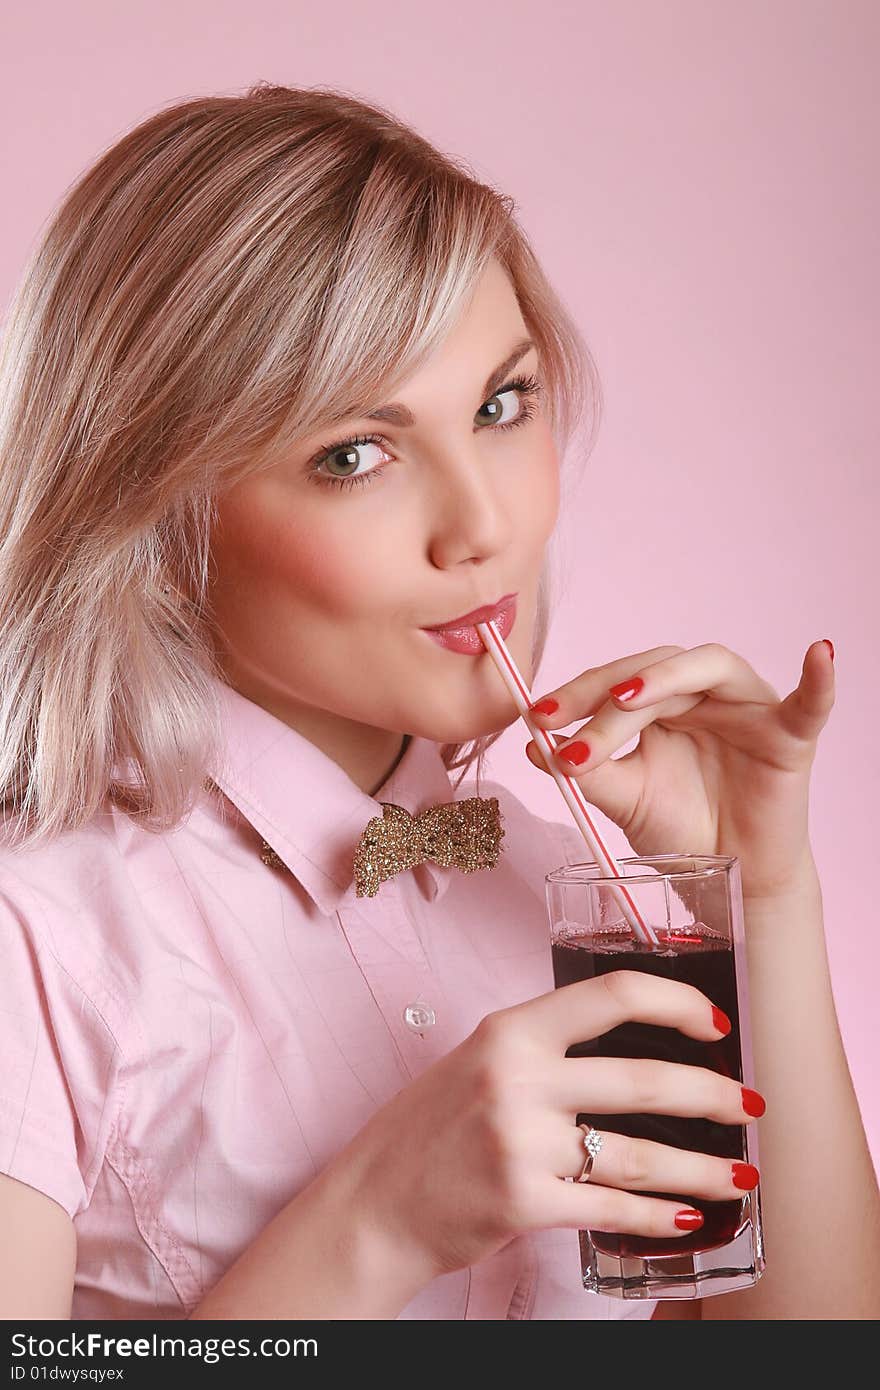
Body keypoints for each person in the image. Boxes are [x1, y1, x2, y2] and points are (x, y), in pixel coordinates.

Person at [0, 83, 877, 1324]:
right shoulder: (33, 935)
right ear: (157, 508)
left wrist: (760, 893)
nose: (487, 525)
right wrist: (377, 1219)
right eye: (353, 452)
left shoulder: (566, 886)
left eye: (500, 404)